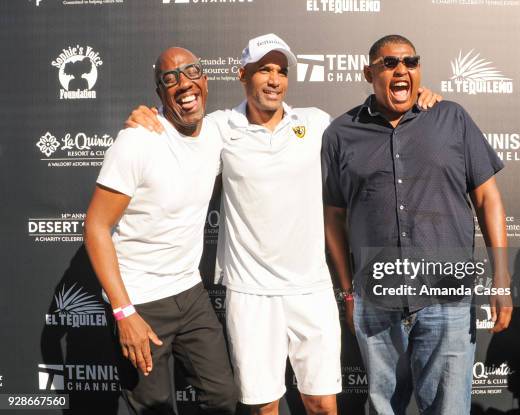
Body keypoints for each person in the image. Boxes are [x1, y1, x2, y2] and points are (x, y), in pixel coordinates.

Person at [125, 34, 441, 415]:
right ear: (243, 74)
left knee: (323, 405)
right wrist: (147, 115)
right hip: (250, 294)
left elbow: (375, 125)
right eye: (264, 70)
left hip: (312, 290)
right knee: (264, 408)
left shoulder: (316, 123)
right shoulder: (219, 128)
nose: (274, 79)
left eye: (281, 70)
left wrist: (423, 100)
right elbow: (178, 122)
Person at [322, 34, 513, 415]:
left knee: (448, 410)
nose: (401, 70)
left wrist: (502, 279)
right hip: (376, 299)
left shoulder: (450, 117)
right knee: (382, 409)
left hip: (447, 297)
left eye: (410, 62)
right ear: (368, 73)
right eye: (390, 63)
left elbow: (488, 198)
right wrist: (347, 292)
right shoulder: (340, 134)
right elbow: (333, 219)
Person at [83, 47, 237, 415]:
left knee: (223, 400)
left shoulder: (218, 130)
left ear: (205, 79)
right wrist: (124, 313)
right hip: (140, 300)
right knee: (154, 408)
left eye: (191, 72)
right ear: (159, 93)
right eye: (171, 78)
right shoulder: (138, 141)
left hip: (190, 292)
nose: (183, 83)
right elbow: (96, 227)